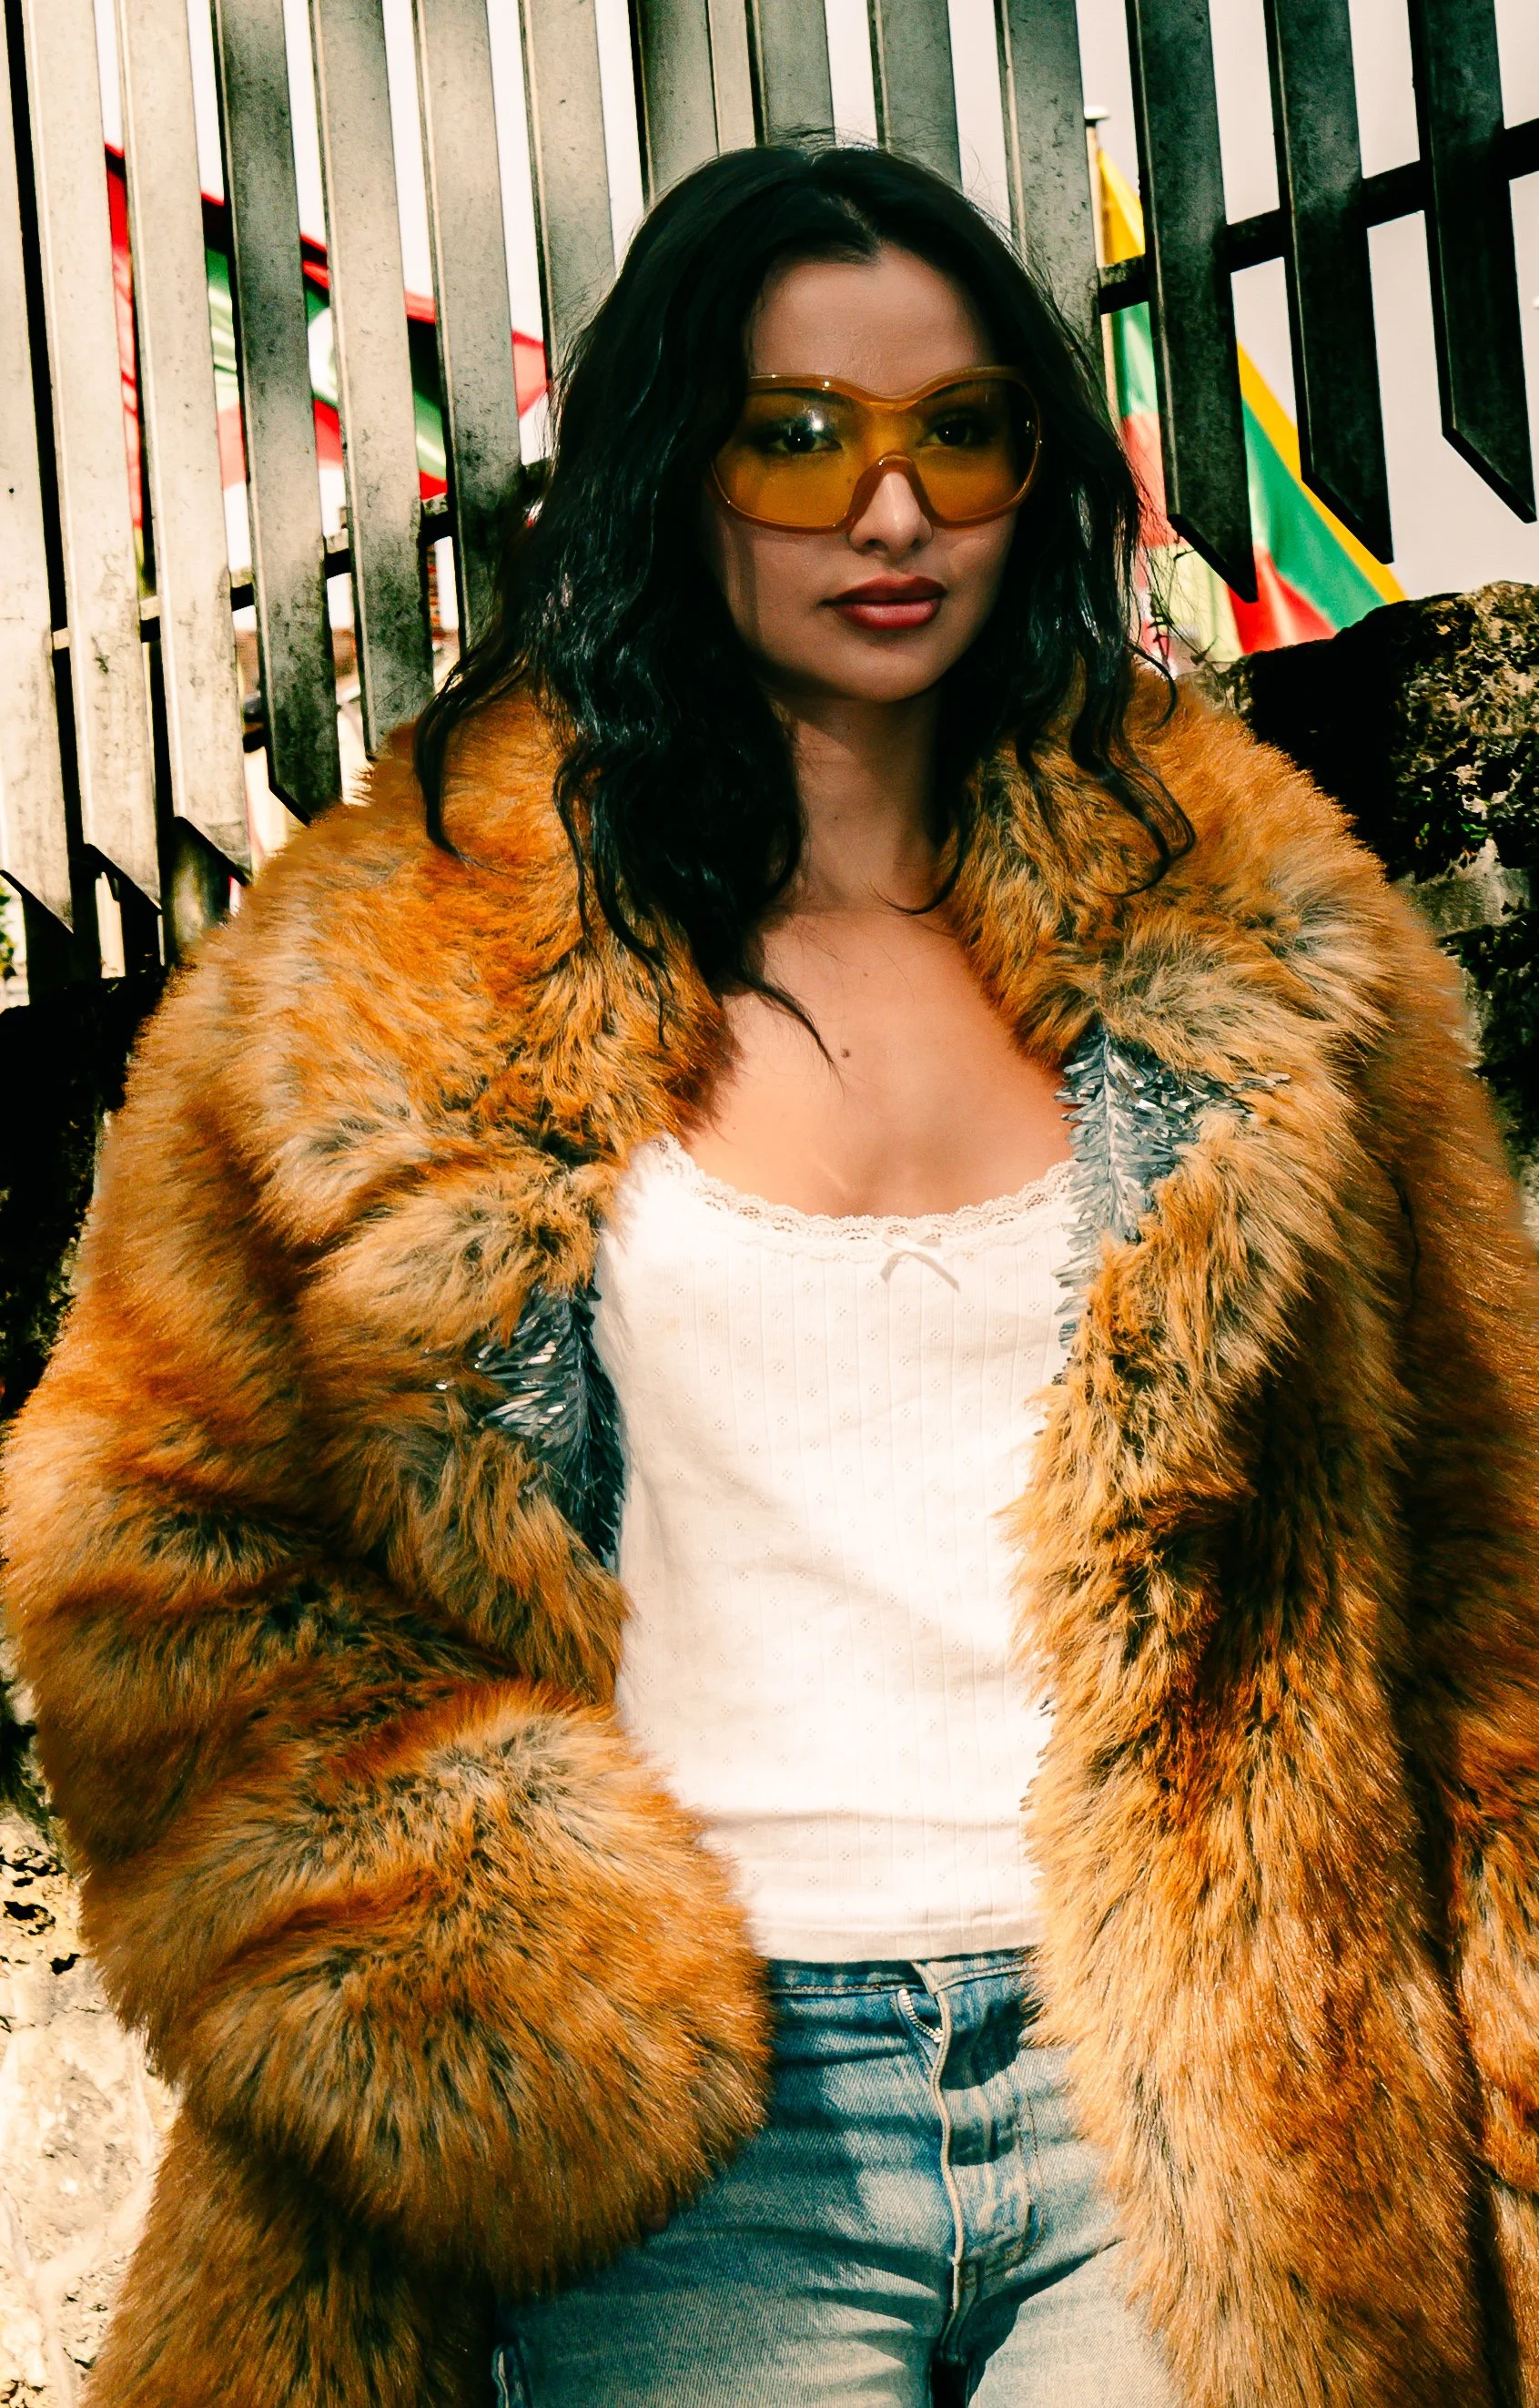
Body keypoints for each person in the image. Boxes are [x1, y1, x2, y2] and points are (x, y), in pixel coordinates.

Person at [5, 141, 1539, 2408]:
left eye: (957, 432)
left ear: (1038, 470)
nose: (886, 509)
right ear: (674, 464)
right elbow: (144, 1537)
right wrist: (465, 1954)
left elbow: (1481, 1573)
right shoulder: (377, 974)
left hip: (1193, 2095)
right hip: (681, 2136)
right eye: (795, 431)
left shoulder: (1272, 949)